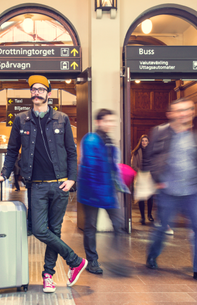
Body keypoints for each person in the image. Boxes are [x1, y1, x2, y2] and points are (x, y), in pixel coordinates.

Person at [0, 75, 87, 293]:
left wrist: (72, 179)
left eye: (41, 89)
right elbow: (12, 150)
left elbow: (72, 153)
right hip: (37, 185)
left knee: (54, 230)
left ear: (48, 94)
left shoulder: (62, 119)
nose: (37, 92)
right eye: (33, 89)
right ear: (30, 94)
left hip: (61, 184)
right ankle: (74, 260)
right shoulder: (21, 119)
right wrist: (4, 175)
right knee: (39, 229)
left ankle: (48, 275)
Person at [145, 97, 197, 281]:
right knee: (162, 229)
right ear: (171, 114)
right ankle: (152, 255)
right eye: (180, 110)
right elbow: (150, 158)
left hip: (193, 190)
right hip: (168, 191)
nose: (184, 114)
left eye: (187, 110)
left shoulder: (195, 135)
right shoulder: (160, 133)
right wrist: (158, 179)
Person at [77, 109, 130, 275]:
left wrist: (119, 183)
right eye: (107, 121)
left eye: (112, 121)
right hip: (92, 192)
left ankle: (118, 260)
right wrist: (99, 193)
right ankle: (92, 260)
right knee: (90, 226)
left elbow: (112, 167)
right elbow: (90, 168)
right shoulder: (91, 139)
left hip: (108, 191)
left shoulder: (109, 141)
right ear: (99, 122)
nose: (110, 124)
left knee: (119, 224)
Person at [131, 135, 154, 225]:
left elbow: (153, 164)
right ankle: (143, 217)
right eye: (142, 141)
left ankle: (149, 215)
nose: (144, 142)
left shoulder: (151, 153)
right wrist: (140, 172)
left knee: (150, 197)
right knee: (141, 198)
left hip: (149, 176)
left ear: (148, 142)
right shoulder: (136, 152)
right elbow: (133, 165)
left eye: (146, 141)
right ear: (140, 142)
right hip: (140, 176)